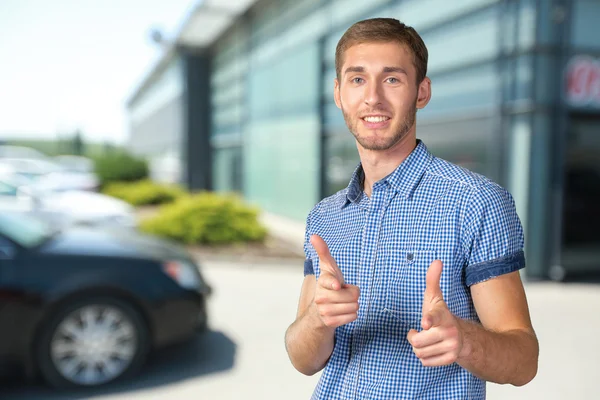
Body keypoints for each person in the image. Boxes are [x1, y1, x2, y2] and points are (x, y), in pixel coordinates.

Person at [284, 18, 539, 399]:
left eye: (392, 79)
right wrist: (319, 321)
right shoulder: (325, 216)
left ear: (421, 92)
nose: (372, 98)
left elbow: (524, 360)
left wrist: (463, 340)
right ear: (338, 93)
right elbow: (303, 360)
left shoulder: (475, 202)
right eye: (357, 79)